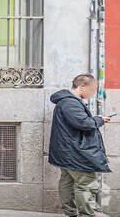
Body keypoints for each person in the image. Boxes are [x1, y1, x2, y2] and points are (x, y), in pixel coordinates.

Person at [49, 73, 112, 217]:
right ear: (81, 87)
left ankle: (70, 213)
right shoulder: (70, 103)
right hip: (77, 153)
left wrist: (97, 119)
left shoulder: (66, 102)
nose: (91, 94)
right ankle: (86, 214)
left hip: (67, 153)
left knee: (67, 181)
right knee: (87, 184)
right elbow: (83, 123)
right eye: (91, 91)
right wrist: (99, 120)